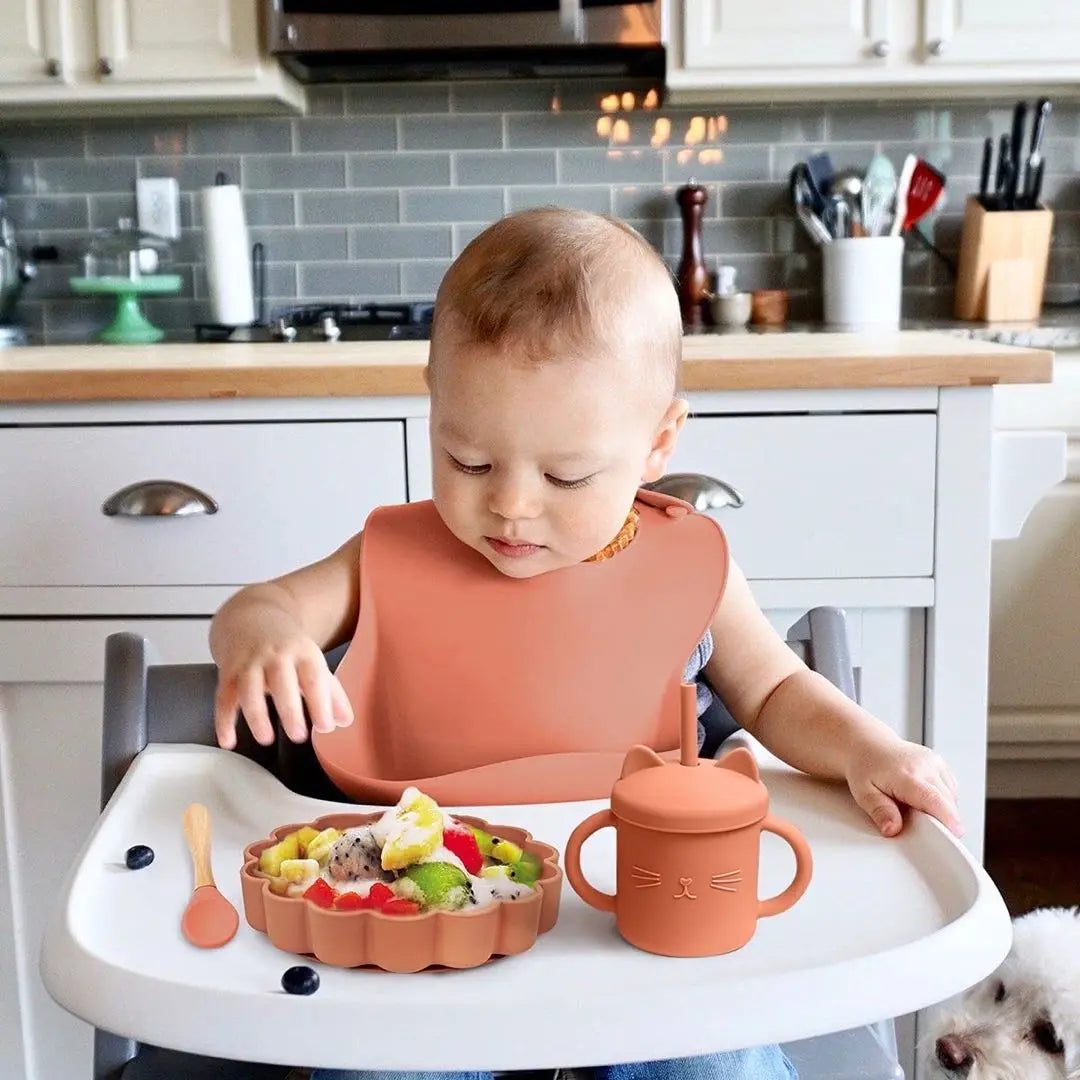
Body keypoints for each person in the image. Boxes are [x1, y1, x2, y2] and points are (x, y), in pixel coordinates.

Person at [210, 207, 962, 1080]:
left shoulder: (692, 569)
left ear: (658, 443)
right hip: (422, 918)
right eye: (467, 461)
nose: (511, 505)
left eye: (566, 474)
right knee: (378, 1069)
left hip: (641, 919)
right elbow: (265, 605)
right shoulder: (392, 555)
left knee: (717, 1068)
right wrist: (263, 634)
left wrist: (870, 747)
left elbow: (777, 690)